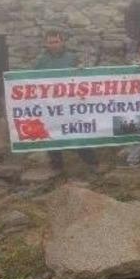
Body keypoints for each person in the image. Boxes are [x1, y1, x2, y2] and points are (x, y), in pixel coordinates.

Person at [33, 30, 99, 172]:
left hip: (70, 105)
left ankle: (92, 163)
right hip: (50, 106)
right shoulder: (41, 61)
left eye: (56, 41)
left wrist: (82, 70)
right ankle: (57, 165)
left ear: (62, 42)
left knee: (77, 131)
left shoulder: (72, 58)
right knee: (52, 134)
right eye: (50, 42)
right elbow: (33, 79)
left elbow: (81, 78)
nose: (54, 45)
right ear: (46, 44)